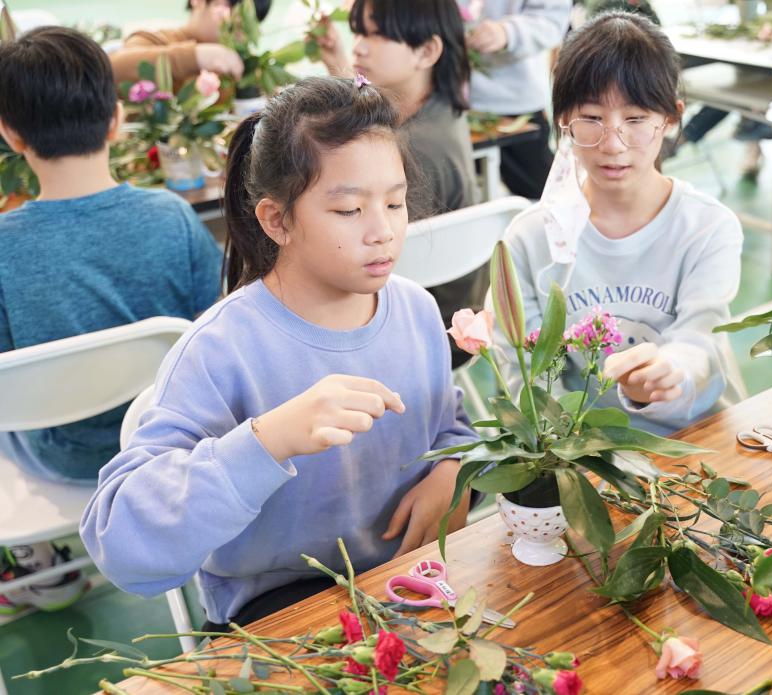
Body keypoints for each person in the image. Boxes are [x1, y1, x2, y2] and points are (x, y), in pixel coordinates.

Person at [80, 77, 478, 630]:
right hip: (280, 609)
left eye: (394, 202)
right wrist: (268, 441)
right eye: (348, 211)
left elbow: (447, 423)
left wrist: (453, 468)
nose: (383, 231)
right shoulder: (220, 350)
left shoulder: (412, 309)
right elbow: (120, 544)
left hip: (405, 584)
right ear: (277, 220)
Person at [0, 26, 222, 612]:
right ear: (117, 120)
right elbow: (216, 328)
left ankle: (41, 567)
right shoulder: (172, 218)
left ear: (9, 133)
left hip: (61, 455)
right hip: (168, 442)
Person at [496, 11, 745, 437]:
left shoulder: (708, 227)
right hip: (585, 452)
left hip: (696, 437)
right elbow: (521, 369)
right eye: (591, 119)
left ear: (669, 118)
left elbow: (701, 338)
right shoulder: (532, 237)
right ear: (563, 121)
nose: (613, 144)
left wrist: (671, 372)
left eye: (634, 120)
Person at [318, 0, 482, 366]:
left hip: (425, 333)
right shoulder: (435, 113)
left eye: (375, 35)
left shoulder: (415, 151)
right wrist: (338, 66)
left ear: (427, 50)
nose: (359, 45)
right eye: (358, 31)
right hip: (445, 315)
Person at [459, 0, 573, 199]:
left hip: (516, 102)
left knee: (548, 197)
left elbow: (553, 21)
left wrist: (508, 32)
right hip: (452, 103)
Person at [109, 0, 272, 88]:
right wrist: (196, 56)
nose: (240, 31)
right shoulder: (154, 40)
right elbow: (113, 69)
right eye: (233, 8)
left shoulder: (240, 68)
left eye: (252, 21)